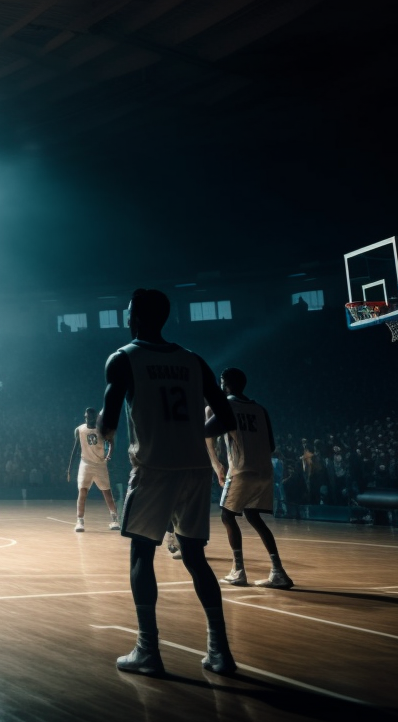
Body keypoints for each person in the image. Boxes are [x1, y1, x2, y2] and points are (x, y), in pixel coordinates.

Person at [98, 288, 238, 676]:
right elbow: (226, 418)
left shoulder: (123, 358)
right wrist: (195, 432)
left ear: (137, 317)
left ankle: (148, 650)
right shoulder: (194, 360)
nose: (126, 317)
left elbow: (108, 422)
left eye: (128, 311)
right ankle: (220, 652)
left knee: (142, 554)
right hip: (194, 467)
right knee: (196, 558)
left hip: (154, 468)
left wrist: (104, 432)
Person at [206, 368, 293, 589]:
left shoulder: (228, 406)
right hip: (264, 471)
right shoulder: (260, 409)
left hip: (241, 470)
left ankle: (238, 571)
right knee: (254, 517)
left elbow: (205, 431)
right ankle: (278, 572)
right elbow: (271, 445)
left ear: (225, 384)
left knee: (227, 515)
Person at [68, 407, 119, 532]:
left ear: (96, 417)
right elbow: (75, 449)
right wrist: (69, 469)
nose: (88, 418)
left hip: (100, 464)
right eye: (86, 416)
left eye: (90, 416)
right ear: (85, 416)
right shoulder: (79, 430)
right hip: (85, 463)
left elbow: (111, 442)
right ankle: (80, 521)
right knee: (82, 491)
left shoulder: (101, 429)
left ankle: (114, 520)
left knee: (107, 492)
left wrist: (109, 456)